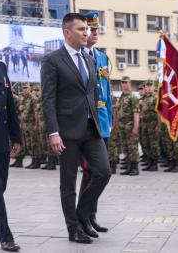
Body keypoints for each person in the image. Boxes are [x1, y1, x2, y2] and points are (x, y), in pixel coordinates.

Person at [41, 13, 111, 244]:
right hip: (67, 132)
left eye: (87, 30)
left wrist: (102, 121)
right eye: (81, 29)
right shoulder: (53, 60)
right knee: (68, 183)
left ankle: (82, 214)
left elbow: (91, 93)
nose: (86, 33)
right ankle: (74, 229)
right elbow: (48, 99)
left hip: (91, 128)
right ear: (67, 32)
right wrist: (53, 132)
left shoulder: (90, 59)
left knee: (103, 172)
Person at [78, 12, 113, 234]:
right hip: (86, 124)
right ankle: (84, 217)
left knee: (100, 172)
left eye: (97, 30)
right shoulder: (78, 56)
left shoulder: (101, 57)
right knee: (91, 172)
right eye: (91, 30)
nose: (94, 33)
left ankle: (91, 215)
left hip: (102, 122)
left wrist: (109, 120)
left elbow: (106, 92)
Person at [0, 57, 21, 252]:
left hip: (1, 139)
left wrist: (16, 136)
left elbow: (9, 104)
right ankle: (6, 236)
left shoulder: (0, 66)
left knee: (1, 186)